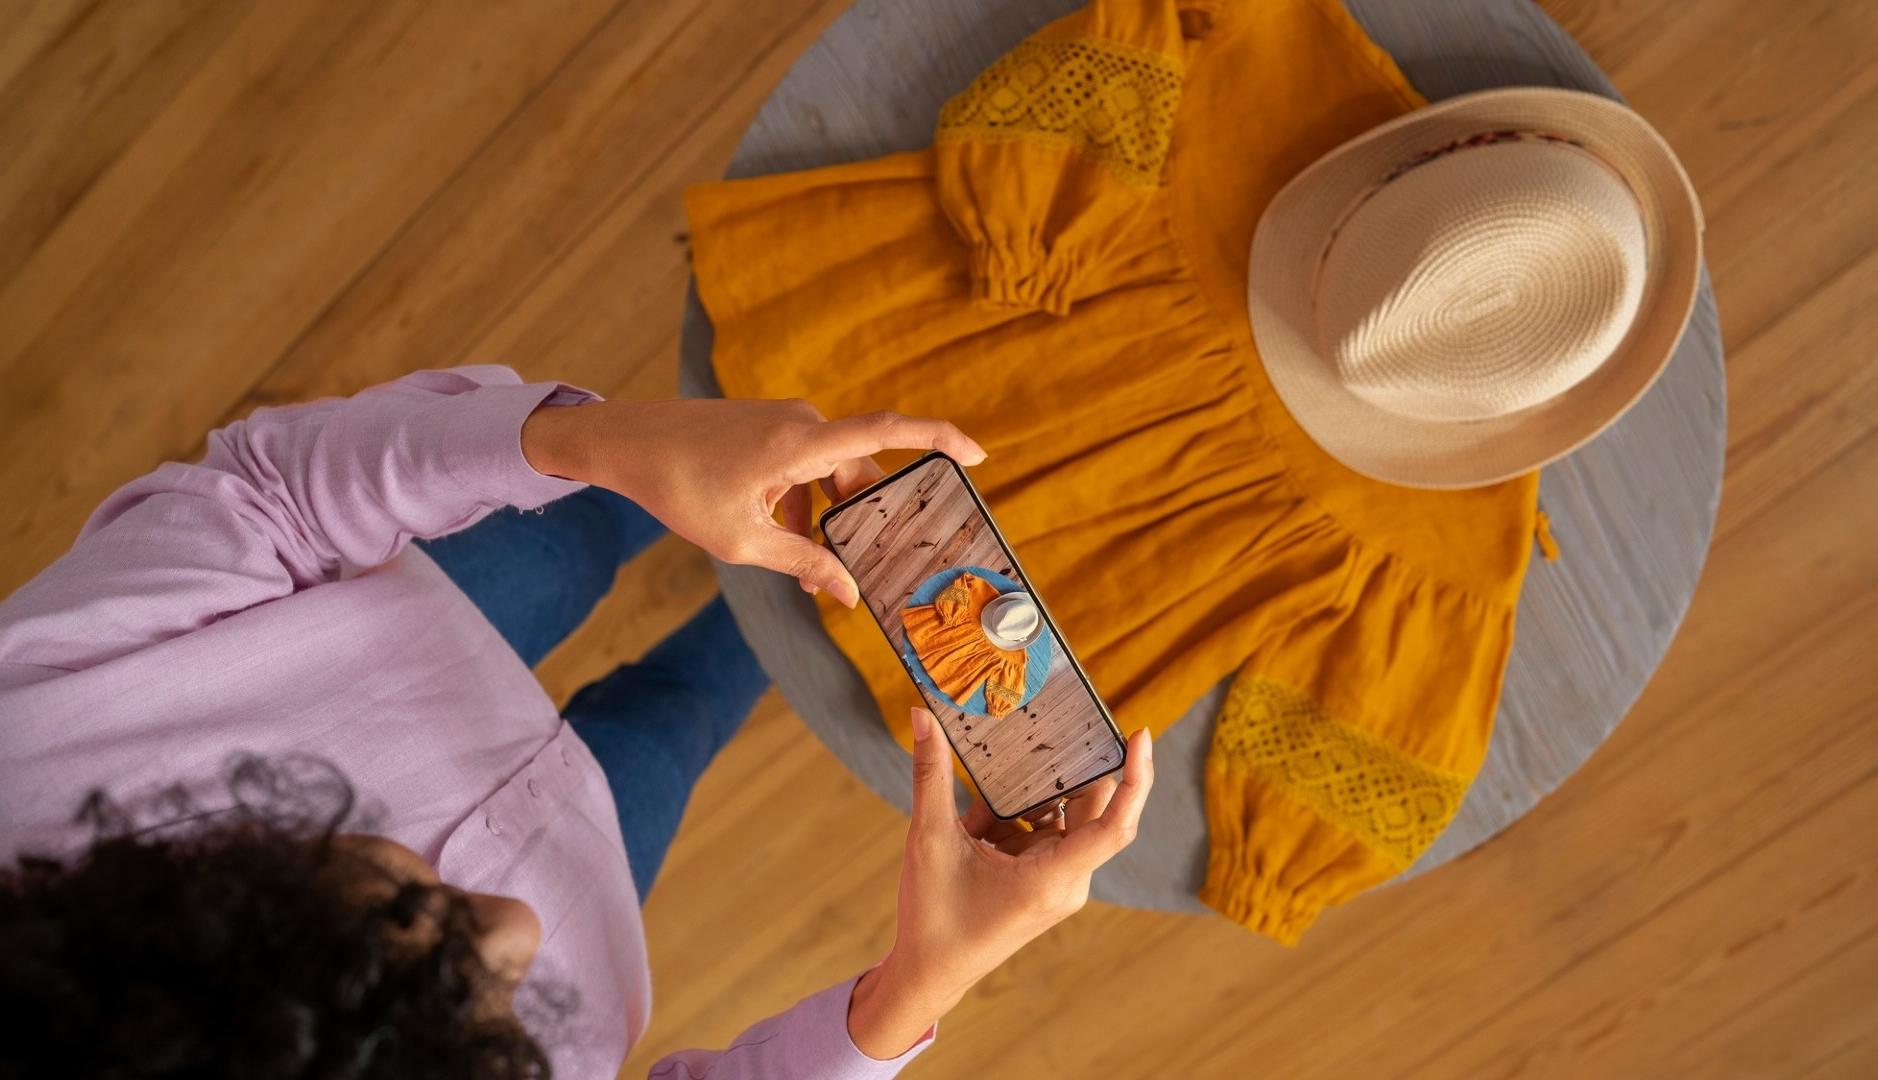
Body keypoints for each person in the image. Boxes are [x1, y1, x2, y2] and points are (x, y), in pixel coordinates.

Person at [0, 367, 1153, 1078]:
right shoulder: (549, 931)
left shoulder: (28, 735)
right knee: (691, 707)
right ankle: (770, 592)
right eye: (493, 1038)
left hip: (432, 605)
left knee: (592, 519)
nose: (524, 934)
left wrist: (590, 445)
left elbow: (270, 495)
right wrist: (915, 988)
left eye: (413, 920)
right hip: (606, 828)